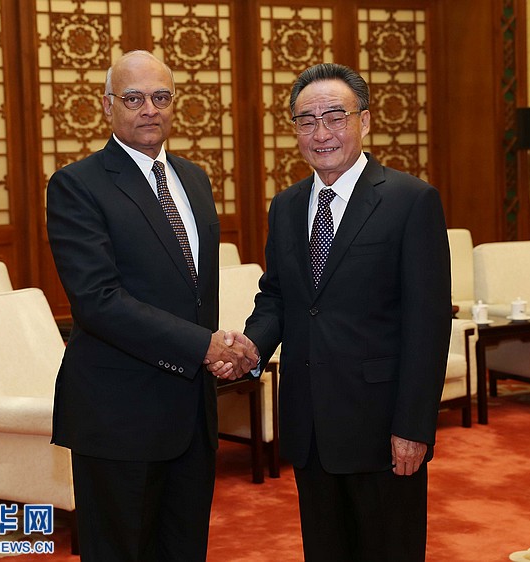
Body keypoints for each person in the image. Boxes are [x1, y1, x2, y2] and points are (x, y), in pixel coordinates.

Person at [213, 63, 451, 561]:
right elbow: (278, 297)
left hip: (382, 427)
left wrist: (414, 427)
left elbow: (428, 326)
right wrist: (251, 347)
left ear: (364, 121)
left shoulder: (411, 201)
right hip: (311, 426)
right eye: (306, 120)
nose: (321, 133)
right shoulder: (286, 206)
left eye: (335, 117)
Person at [46, 50, 258, 562]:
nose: (149, 109)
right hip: (119, 416)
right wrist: (203, 346)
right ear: (108, 106)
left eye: (161, 97)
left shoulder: (195, 179)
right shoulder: (77, 185)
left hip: (192, 414)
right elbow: (98, 302)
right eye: (134, 98)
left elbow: (192, 290)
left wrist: (218, 347)